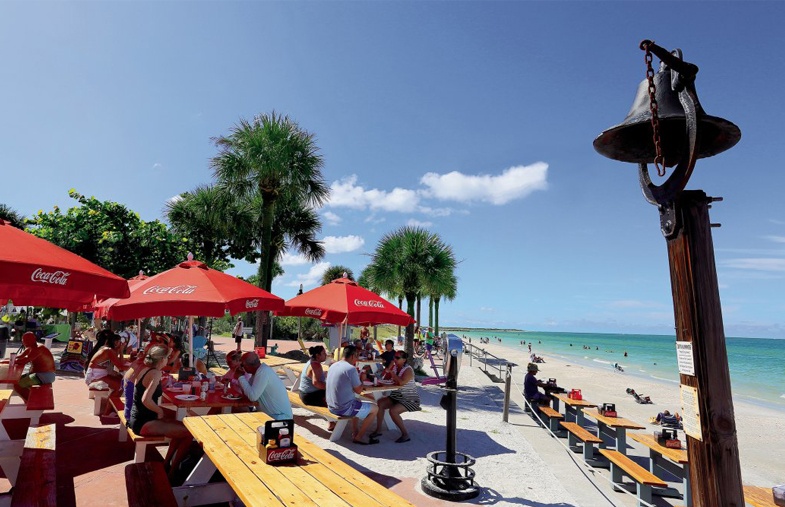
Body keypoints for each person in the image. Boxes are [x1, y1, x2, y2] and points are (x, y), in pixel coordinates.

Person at [128, 345, 193, 481]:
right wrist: (159, 411)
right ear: (162, 359)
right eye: (167, 358)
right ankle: (172, 472)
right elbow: (145, 399)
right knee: (188, 433)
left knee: (180, 427)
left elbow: (137, 388)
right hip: (143, 422)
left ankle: (166, 464)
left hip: (138, 418)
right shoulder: (155, 373)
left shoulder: (145, 369)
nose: (168, 360)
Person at [326, 345, 379, 445]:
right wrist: (362, 379)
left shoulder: (333, 365)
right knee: (375, 408)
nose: (357, 358)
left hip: (331, 405)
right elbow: (358, 390)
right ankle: (359, 437)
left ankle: (355, 431)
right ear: (353, 356)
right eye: (357, 355)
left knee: (357, 401)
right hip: (342, 408)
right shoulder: (351, 369)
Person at [372, 350, 420, 443]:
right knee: (380, 403)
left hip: (409, 399)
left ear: (404, 360)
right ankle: (378, 430)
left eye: (397, 358)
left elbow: (401, 382)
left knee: (393, 411)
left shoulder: (408, 370)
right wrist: (389, 368)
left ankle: (405, 434)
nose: (395, 359)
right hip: (396, 396)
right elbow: (384, 378)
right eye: (394, 357)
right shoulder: (395, 367)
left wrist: (392, 373)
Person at [235, 352, 292, 420]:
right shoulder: (257, 372)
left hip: (280, 418)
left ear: (247, 366)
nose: (241, 367)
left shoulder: (263, 372)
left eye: (242, 365)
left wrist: (241, 377)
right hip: (270, 416)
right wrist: (240, 378)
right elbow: (247, 393)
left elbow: (253, 397)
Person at [85, 331, 130, 414]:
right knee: (119, 386)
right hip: (95, 376)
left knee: (121, 380)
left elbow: (121, 363)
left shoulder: (110, 350)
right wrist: (134, 367)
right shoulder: (108, 350)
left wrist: (120, 351)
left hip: (99, 373)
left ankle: (111, 406)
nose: (121, 343)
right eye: (120, 342)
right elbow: (120, 367)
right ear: (116, 342)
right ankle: (108, 412)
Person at [14, 332, 57, 401]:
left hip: (45, 375)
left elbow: (25, 360)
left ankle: (32, 401)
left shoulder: (38, 348)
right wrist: (10, 359)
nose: (24, 343)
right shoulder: (31, 347)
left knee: (19, 384)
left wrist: (12, 361)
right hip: (40, 374)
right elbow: (20, 356)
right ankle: (31, 399)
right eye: (23, 340)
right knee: (17, 381)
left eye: (25, 341)